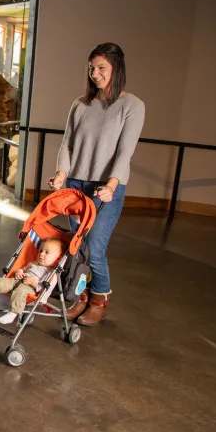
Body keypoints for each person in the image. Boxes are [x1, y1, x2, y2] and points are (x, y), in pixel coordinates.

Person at [48, 43, 145, 327]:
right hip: (77, 184)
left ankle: (100, 299)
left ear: (116, 69)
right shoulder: (81, 105)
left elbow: (125, 152)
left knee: (94, 246)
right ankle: (82, 294)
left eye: (101, 67)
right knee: (78, 246)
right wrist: (61, 175)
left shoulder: (132, 106)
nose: (95, 73)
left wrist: (112, 184)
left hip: (107, 188)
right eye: (92, 68)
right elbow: (68, 143)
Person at [0, 238, 65, 324]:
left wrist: (33, 283)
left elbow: (45, 289)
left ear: (58, 258)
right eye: (40, 251)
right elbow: (23, 269)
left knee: (20, 291)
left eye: (47, 252)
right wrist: (19, 272)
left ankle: (13, 313)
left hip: (30, 288)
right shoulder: (33, 263)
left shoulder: (51, 273)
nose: (41, 254)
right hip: (17, 280)